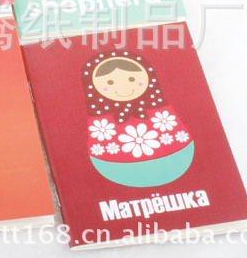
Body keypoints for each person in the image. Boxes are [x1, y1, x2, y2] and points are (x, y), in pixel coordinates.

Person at [83, 51, 194, 187]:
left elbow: (181, 142)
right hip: (115, 166)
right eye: (110, 82)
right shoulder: (101, 124)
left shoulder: (161, 113)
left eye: (132, 79)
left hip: (176, 156)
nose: (123, 88)